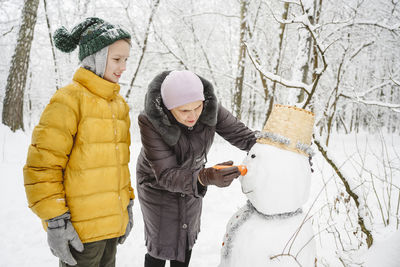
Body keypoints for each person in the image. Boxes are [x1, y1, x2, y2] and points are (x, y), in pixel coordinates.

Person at [23, 17, 134, 267]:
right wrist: (55, 221)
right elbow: (41, 168)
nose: (123, 66)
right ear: (95, 56)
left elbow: (119, 164)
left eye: (126, 60)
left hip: (111, 229)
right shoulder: (68, 100)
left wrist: (127, 204)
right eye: (117, 59)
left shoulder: (119, 105)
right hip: (80, 233)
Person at [136, 70, 257, 267]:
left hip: (192, 182)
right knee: (161, 243)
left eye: (197, 107)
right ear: (169, 107)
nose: (193, 115)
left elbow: (245, 137)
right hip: (156, 185)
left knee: (185, 238)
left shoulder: (210, 108)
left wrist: (279, 149)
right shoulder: (150, 121)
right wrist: (204, 177)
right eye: (184, 111)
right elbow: (165, 174)